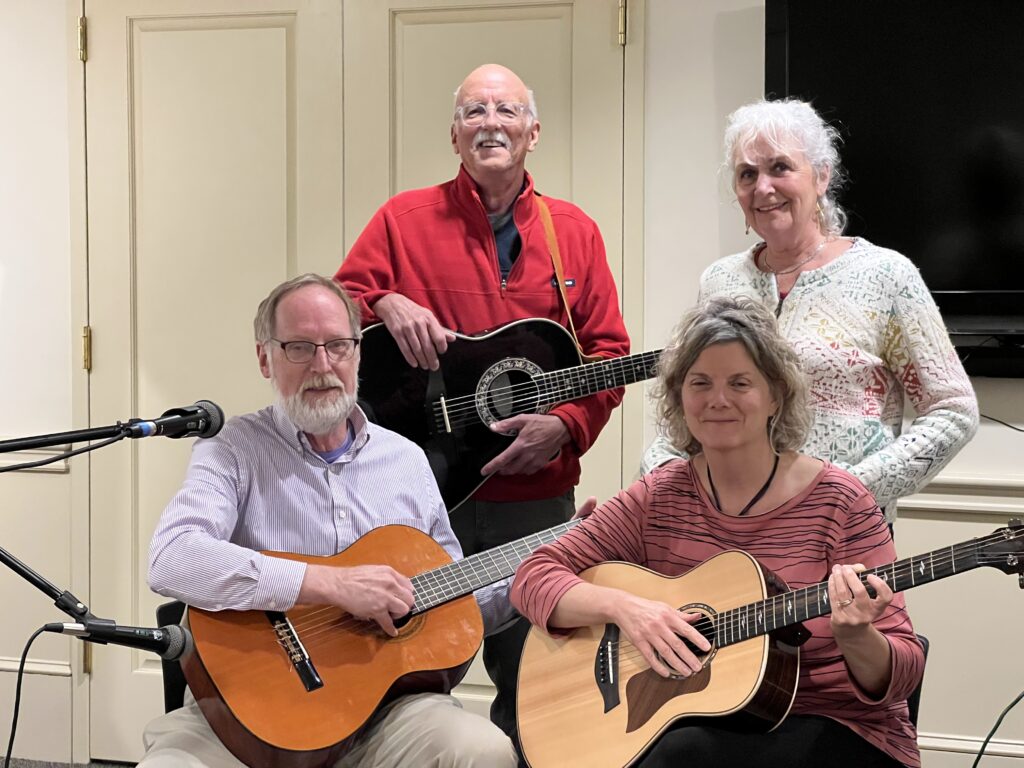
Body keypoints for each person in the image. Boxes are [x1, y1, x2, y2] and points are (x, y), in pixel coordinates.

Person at [335, 63, 630, 745]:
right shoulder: (402, 219)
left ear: (533, 132)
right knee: (399, 672)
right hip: (418, 494)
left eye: (505, 110)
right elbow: (332, 309)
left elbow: (609, 356)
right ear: (454, 135)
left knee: (539, 684)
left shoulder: (574, 231)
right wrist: (384, 301)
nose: (490, 123)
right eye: (474, 111)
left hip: (533, 497)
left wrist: (566, 425)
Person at [512, 296, 926, 768]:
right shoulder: (660, 495)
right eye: (700, 383)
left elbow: (904, 672)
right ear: (679, 398)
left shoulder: (840, 501)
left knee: (678, 759)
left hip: (842, 727)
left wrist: (856, 636)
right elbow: (533, 574)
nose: (718, 400)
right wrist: (628, 610)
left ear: (776, 395)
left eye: (740, 383)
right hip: (707, 722)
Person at [139, 274, 518, 767]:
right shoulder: (230, 449)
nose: (322, 366)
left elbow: (453, 604)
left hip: (386, 715)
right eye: (299, 347)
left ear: (357, 353)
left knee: (484, 751)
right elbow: (172, 558)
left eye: (338, 345)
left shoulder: (406, 460)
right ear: (265, 359)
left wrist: (544, 570)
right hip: (244, 716)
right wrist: (332, 585)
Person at [642, 99, 978, 525]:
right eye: (747, 174)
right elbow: (686, 413)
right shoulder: (720, 281)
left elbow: (953, 409)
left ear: (822, 176)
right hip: (731, 535)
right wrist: (667, 480)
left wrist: (845, 492)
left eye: (780, 167)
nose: (763, 187)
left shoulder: (885, 276)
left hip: (842, 535)